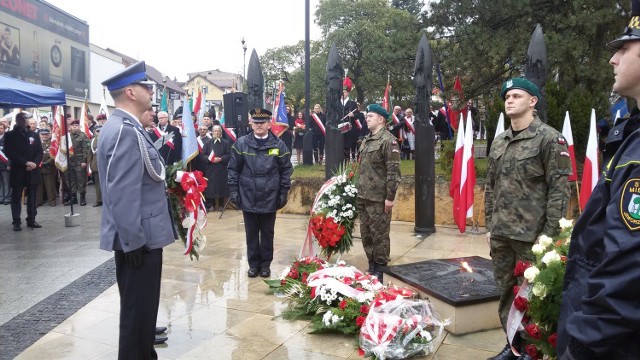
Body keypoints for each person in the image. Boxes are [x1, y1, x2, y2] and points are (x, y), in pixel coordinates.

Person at [558, 3, 640, 358]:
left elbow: (628, 272)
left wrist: (581, 345)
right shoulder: (631, 133)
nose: (613, 59)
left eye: (624, 48)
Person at [484, 78, 571, 360]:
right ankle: (513, 347)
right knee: (507, 294)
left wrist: (550, 237)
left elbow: (560, 190)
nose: (509, 100)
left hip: (532, 236)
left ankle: (535, 351)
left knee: (535, 297)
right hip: (501, 234)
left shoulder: (549, 138)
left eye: (517, 96)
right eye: (507, 96)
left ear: (532, 102)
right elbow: (490, 185)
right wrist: (489, 224)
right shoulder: (499, 141)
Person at [98, 61, 175, 359]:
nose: (149, 90)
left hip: (140, 237)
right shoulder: (124, 131)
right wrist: (134, 242)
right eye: (145, 86)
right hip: (139, 240)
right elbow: (122, 193)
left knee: (141, 316)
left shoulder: (124, 126)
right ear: (130, 92)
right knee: (137, 316)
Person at [228, 108, 292, 278]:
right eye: (256, 122)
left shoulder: (279, 145)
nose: (259, 126)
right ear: (251, 123)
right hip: (248, 194)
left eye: (262, 122)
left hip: (270, 196)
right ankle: (253, 265)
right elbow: (233, 169)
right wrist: (234, 191)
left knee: (267, 233)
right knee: (251, 233)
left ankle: (265, 265)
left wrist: (283, 192)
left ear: (269, 123)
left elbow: (286, 170)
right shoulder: (241, 143)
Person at [356, 104, 401, 283]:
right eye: (367, 116)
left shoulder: (388, 141)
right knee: (366, 233)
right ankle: (372, 264)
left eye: (370, 116)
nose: (367, 118)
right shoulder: (367, 140)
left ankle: (381, 268)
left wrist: (390, 197)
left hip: (378, 198)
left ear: (381, 119)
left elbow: (393, 171)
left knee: (379, 234)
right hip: (363, 196)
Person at [4, 112, 43, 231]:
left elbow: (39, 152)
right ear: (16, 120)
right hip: (18, 170)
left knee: (32, 197)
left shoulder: (34, 135)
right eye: (21, 119)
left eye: (25, 118)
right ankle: (16, 221)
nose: (23, 120)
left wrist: (34, 163)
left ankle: (31, 219)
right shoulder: (10, 135)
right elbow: (10, 152)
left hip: (33, 170)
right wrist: (25, 163)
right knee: (16, 197)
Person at [203, 125, 231, 211]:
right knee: (210, 186)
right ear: (212, 132)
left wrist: (221, 159)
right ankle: (210, 205)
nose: (217, 132)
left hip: (222, 168)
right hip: (210, 169)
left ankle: (221, 205)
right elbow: (203, 156)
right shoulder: (207, 143)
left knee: (222, 185)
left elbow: (229, 155)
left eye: (218, 131)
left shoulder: (226, 143)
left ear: (221, 132)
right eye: (215, 131)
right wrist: (211, 159)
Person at [63, 119, 90, 206]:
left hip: (79, 161)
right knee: (71, 181)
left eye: (76, 125)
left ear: (79, 126)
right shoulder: (68, 136)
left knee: (81, 180)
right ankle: (73, 198)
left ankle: (82, 197)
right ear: (70, 127)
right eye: (73, 125)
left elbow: (86, 149)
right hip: (70, 161)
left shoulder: (83, 136)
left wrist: (84, 161)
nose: (74, 127)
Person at [36, 128, 56, 207]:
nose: (44, 136)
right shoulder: (36, 144)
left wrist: (46, 163)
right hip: (38, 167)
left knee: (50, 185)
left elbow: (54, 155)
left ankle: (52, 200)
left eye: (46, 134)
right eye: (42, 134)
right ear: (39, 135)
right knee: (38, 186)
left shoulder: (52, 144)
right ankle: (39, 200)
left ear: (49, 135)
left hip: (48, 167)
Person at [86, 125, 102, 207]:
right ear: (95, 132)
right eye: (98, 131)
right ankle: (99, 200)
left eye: (101, 131)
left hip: (106, 164)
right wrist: (89, 165)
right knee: (98, 184)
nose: (99, 133)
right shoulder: (92, 141)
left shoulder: (108, 138)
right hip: (96, 164)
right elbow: (90, 154)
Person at [341, 89, 359, 162]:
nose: (343, 94)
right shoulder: (337, 103)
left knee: (347, 145)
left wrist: (353, 115)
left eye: (344, 92)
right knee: (340, 145)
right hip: (339, 127)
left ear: (348, 93)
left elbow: (358, 115)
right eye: (341, 92)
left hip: (348, 127)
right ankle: (340, 162)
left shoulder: (352, 103)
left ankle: (347, 162)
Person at [0, 122, 11, 205]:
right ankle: (1, 197)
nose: (0, 130)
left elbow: (10, 153)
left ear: (4, 129)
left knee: (6, 182)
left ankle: (7, 198)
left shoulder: (7, 139)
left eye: (1, 128)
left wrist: (9, 164)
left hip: (5, 164)